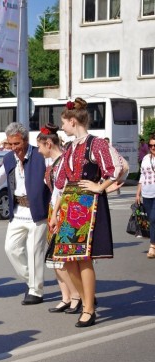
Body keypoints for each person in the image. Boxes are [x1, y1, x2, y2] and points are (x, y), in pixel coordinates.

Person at [49, 97, 125, 327]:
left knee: (83, 259)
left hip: (88, 206)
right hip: (70, 204)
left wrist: (99, 187)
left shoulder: (96, 144)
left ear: (73, 121)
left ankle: (88, 308)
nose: (62, 127)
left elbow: (117, 167)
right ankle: (85, 299)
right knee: (67, 259)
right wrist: (54, 214)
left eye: (63, 123)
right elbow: (61, 183)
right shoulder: (70, 147)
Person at [0, 122, 51, 306]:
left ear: (25, 140)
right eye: (10, 144)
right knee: (11, 248)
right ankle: (32, 280)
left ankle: (35, 291)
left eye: (16, 144)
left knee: (34, 250)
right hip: (18, 210)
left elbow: (54, 175)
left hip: (38, 210)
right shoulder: (9, 159)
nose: (14, 148)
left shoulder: (40, 156)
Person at [36, 123, 82, 314]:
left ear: (48, 144)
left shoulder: (64, 161)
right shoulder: (54, 162)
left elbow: (62, 190)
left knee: (64, 258)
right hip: (54, 211)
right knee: (55, 258)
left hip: (64, 211)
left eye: (39, 146)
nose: (38, 150)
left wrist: (56, 213)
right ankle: (66, 296)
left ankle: (76, 296)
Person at [135, 134, 155, 258]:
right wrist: (138, 193)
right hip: (147, 193)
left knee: (153, 219)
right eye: (151, 145)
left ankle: (152, 246)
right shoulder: (146, 159)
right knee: (151, 220)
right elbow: (142, 176)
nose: (153, 147)